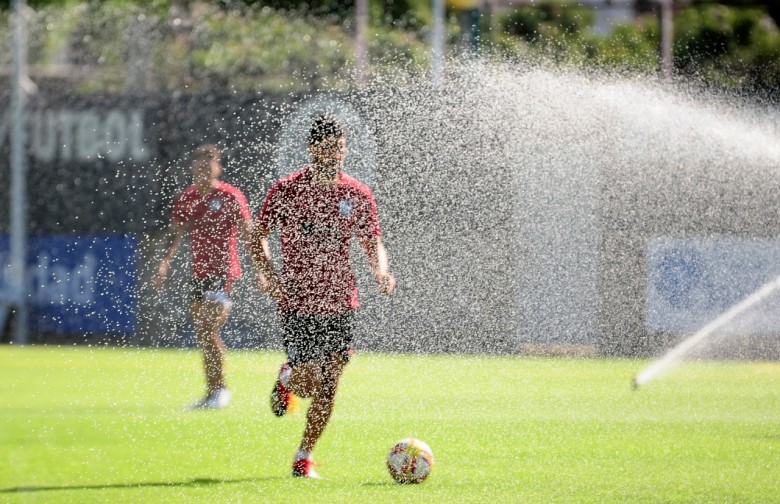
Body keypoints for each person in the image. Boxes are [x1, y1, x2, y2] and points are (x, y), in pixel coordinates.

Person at [252, 114, 395, 478]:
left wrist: (381, 271)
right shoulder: (287, 189)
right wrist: (269, 273)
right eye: (329, 148)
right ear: (312, 149)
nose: (336, 154)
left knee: (329, 384)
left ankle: (304, 456)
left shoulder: (357, 193)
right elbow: (259, 235)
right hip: (298, 301)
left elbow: (372, 240)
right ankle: (288, 377)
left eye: (341, 148)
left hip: (341, 301)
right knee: (309, 382)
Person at [155, 144, 254, 409]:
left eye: (209, 163)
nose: (204, 167)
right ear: (192, 167)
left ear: (218, 167)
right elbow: (175, 233)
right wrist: (164, 263)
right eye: (199, 162)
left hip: (223, 272)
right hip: (198, 274)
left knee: (207, 327)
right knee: (204, 333)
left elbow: (248, 233)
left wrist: (261, 270)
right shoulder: (187, 197)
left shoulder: (230, 196)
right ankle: (212, 392)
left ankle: (220, 391)